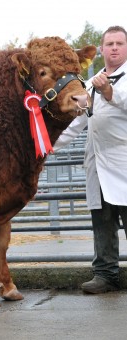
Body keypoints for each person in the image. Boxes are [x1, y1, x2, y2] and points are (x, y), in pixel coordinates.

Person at [54, 25, 127, 294]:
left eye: (120, 43)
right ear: (101, 49)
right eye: (109, 44)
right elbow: (77, 122)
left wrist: (110, 93)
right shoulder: (91, 84)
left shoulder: (110, 85)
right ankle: (105, 275)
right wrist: (47, 145)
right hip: (98, 163)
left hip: (124, 162)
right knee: (103, 221)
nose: (115, 48)